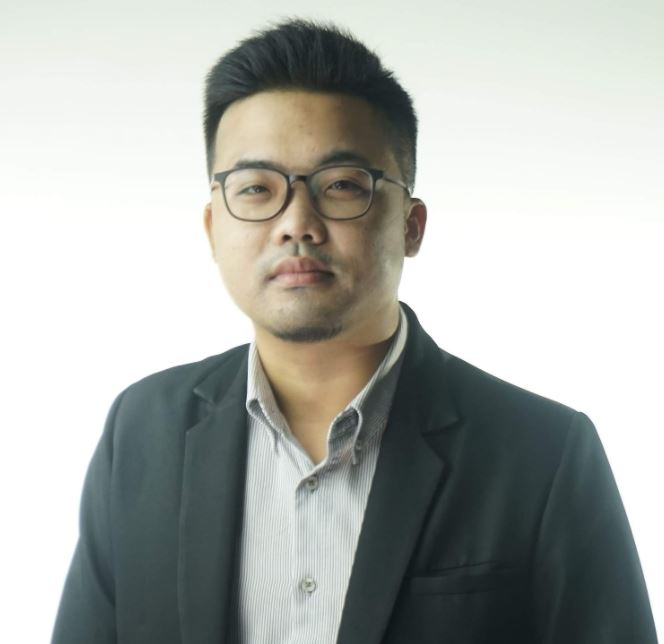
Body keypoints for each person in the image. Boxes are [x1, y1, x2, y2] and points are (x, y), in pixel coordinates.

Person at [51, 19, 658, 644]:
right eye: (256, 188)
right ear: (213, 227)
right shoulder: (142, 430)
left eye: (341, 185)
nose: (296, 223)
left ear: (411, 226)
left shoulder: (544, 453)